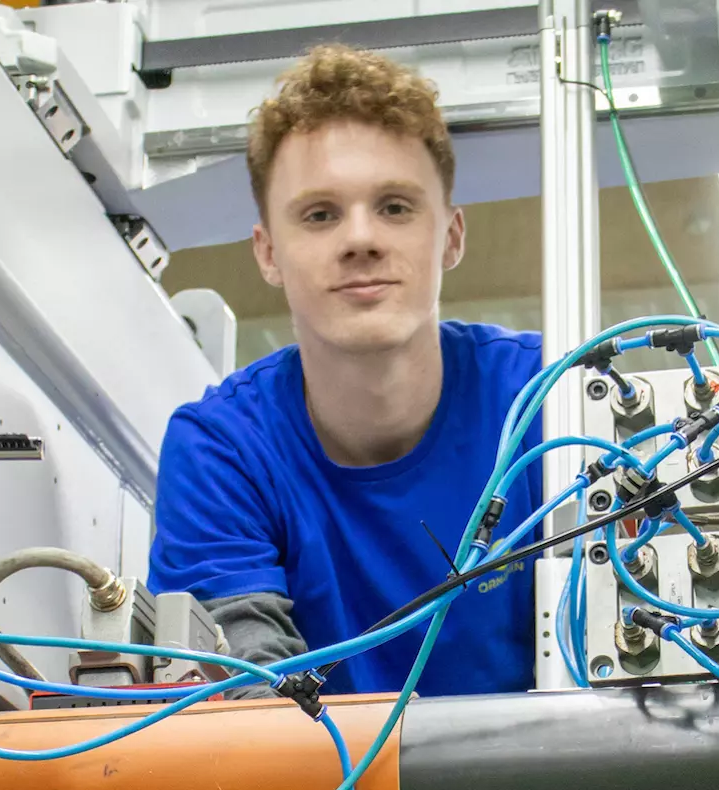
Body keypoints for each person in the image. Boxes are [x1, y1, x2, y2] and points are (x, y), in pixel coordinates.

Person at [150, 44, 545, 699]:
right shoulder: (222, 450)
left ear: (450, 235)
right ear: (269, 252)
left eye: (395, 206)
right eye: (320, 214)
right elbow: (247, 703)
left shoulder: (549, 403)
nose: (360, 239)